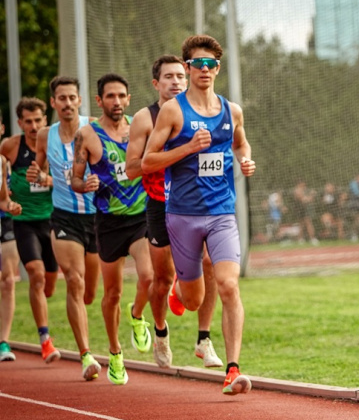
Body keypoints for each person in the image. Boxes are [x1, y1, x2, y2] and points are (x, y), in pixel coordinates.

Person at [142, 35, 255, 395]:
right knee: (192, 300)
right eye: (198, 64)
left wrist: (245, 159)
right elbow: (147, 161)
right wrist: (189, 148)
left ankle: (233, 369)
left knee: (228, 285)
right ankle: (180, 288)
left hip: (222, 212)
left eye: (211, 65)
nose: (204, 70)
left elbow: (240, 141)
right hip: (182, 216)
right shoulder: (174, 111)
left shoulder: (231, 110)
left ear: (217, 69)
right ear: (188, 68)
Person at [125, 55, 223, 370]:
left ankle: (204, 339)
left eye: (181, 76)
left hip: (197, 203)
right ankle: (161, 331)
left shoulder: (205, 112)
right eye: (169, 77)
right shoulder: (144, 118)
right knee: (162, 276)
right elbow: (131, 170)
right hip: (160, 204)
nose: (176, 82)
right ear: (156, 83)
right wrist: (181, 151)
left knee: (210, 263)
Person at [71, 73, 153, 385]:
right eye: (110, 96)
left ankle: (137, 316)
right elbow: (75, 179)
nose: (116, 102)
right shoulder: (87, 135)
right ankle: (116, 353)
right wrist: (84, 184)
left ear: (128, 99)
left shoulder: (140, 127)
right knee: (112, 293)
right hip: (108, 221)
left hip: (140, 216)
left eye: (121, 96)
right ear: (100, 100)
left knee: (148, 276)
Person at [25, 76, 102, 380]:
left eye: (72, 97)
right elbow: (40, 168)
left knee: (90, 293)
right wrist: (37, 174)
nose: (67, 103)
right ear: (53, 103)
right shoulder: (46, 135)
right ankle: (86, 356)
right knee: (74, 280)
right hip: (65, 216)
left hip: (97, 216)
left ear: (79, 101)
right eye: (62, 98)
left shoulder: (93, 126)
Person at [0, 97, 61, 364]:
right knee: (34, 275)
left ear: (45, 119)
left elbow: (72, 179)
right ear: (19, 123)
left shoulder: (56, 143)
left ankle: (43, 301)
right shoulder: (11, 147)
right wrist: (6, 196)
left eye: (38, 120)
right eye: (28, 121)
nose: (33, 126)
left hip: (54, 220)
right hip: (23, 221)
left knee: (48, 284)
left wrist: (47, 179)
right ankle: (45, 340)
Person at [0, 136, 23, 361]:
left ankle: (3, 342)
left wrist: (12, 206)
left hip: (4, 221)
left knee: (7, 281)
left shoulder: (3, 162)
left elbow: (3, 199)